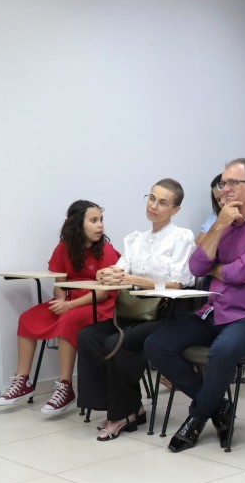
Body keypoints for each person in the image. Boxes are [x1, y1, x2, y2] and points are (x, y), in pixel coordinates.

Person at [145, 158, 245, 452]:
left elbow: (240, 273)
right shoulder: (223, 224)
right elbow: (197, 266)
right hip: (211, 312)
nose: (225, 190)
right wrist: (220, 225)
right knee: (156, 344)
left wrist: (216, 268)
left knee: (222, 350)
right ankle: (218, 406)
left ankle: (196, 418)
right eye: (223, 184)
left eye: (233, 183)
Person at [76, 179, 196, 441]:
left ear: (175, 209)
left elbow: (180, 281)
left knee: (115, 341)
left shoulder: (182, 237)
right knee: (88, 335)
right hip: (135, 314)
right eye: (151, 198)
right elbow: (120, 269)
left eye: (162, 202)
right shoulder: (136, 240)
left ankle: (123, 414)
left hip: (167, 314)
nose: (153, 205)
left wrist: (137, 281)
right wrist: (107, 273)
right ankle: (122, 408)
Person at [0, 200, 120, 415]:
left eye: (101, 220)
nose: (100, 226)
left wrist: (69, 305)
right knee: (28, 318)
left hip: (97, 305)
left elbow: (102, 293)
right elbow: (59, 284)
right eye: (93, 220)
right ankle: (22, 380)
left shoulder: (106, 250)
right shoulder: (63, 248)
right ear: (77, 224)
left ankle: (65, 386)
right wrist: (61, 301)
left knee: (68, 320)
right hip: (68, 302)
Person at [198, 169, 224, 235]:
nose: (222, 202)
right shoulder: (215, 216)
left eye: (225, 196)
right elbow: (199, 244)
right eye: (218, 199)